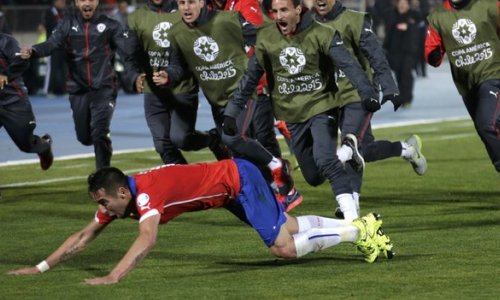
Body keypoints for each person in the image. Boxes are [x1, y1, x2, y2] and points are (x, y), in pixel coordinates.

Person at [7, 158, 393, 285]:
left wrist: (114, 276)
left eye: (104, 202)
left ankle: (359, 229)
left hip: (237, 182)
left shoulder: (144, 196)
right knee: (288, 230)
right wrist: (39, 267)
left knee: (283, 249)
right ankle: (361, 228)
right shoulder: (127, 195)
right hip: (228, 189)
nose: (103, 210)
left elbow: (147, 240)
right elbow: (83, 234)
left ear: (121, 193)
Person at [225, 0, 381, 221]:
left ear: (298, 10)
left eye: (284, 10)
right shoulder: (266, 38)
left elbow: (349, 65)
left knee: (326, 159)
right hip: (291, 115)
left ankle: (353, 221)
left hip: (322, 107)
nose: (279, 16)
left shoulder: (323, 33)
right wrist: (232, 111)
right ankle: (348, 154)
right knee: (313, 176)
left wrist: (367, 93)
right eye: (275, 11)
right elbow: (250, 77)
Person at [154, 0, 300, 210]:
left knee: (232, 137)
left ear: (202, 2)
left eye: (191, 2)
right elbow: (178, 66)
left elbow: (264, 37)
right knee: (239, 153)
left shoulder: (228, 19)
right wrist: (168, 75)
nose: (186, 8)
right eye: (182, 3)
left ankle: (276, 165)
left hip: (241, 93)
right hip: (217, 99)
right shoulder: (176, 33)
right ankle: (281, 191)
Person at [311, 0, 426, 217]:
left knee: (350, 144)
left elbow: (376, 55)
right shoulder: (309, 25)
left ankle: (351, 204)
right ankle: (407, 149)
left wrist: (389, 87)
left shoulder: (354, 20)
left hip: (358, 95)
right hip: (329, 98)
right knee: (365, 150)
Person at [208, 0, 303, 209]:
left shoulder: (245, 3)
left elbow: (257, 40)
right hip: (237, 87)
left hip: (258, 86)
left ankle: (286, 189)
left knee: (262, 136)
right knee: (249, 140)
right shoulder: (214, 9)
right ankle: (269, 184)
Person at [20, 0, 135, 170]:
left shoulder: (111, 25)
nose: (87, 3)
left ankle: (102, 176)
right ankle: (101, 138)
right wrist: (34, 50)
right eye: (82, 0)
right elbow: (52, 44)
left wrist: (138, 63)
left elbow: (128, 50)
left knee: (99, 131)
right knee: (84, 138)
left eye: (91, 0)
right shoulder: (66, 24)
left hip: (104, 88)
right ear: (76, 2)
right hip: (78, 90)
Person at [125, 0, 230, 165]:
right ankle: (185, 183)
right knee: (162, 144)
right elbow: (130, 55)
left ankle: (212, 139)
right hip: (153, 92)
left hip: (183, 88)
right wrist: (134, 77)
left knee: (181, 139)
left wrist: (170, 75)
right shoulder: (136, 17)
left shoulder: (185, 10)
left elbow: (187, 53)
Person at [425, 0, 500, 174]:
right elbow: (431, 51)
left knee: (486, 124)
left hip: (494, 74)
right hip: (467, 85)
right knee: (487, 130)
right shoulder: (437, 17)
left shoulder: (488, 5)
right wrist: (433, 54)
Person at [0, 33, 53, 171]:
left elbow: (22, 61)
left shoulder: (6, 41)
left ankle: (44, 146)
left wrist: (6, 75)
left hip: (13, 101)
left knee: (26, 145)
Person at [383, 0, 420, 107]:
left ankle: (407, 98)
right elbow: (388, 32)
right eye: (401, 4)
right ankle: (401, 97)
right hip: (394, 51)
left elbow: (418, 28)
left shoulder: (413, 15)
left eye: (405, 4)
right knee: (398, 75)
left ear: (408, 6)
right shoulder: (391, 15)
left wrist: (408, 26)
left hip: (409, 51)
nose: (402, 6)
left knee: (406, 74)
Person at [43, 0, 68, 96]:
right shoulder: (50, 12)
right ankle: (48, 90)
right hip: (52, 45)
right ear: (55, 2)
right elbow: (50, 26)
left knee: (63, 69)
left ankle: (63, 90)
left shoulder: (65, 13)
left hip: (63, 45)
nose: (63, 2)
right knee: (51, 68)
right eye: (61, 1)